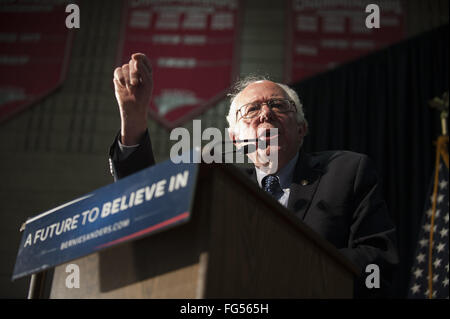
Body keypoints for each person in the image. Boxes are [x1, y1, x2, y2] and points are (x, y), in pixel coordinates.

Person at [109, 53, 399, 298]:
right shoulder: (218, 186)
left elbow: (378, 261)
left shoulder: (346, 171)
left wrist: (286, 266)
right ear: (235, 140)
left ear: (301, 129)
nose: (265, 113)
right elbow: (148, 207)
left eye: (277, 105)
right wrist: (133, 122)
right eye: (251, 110)